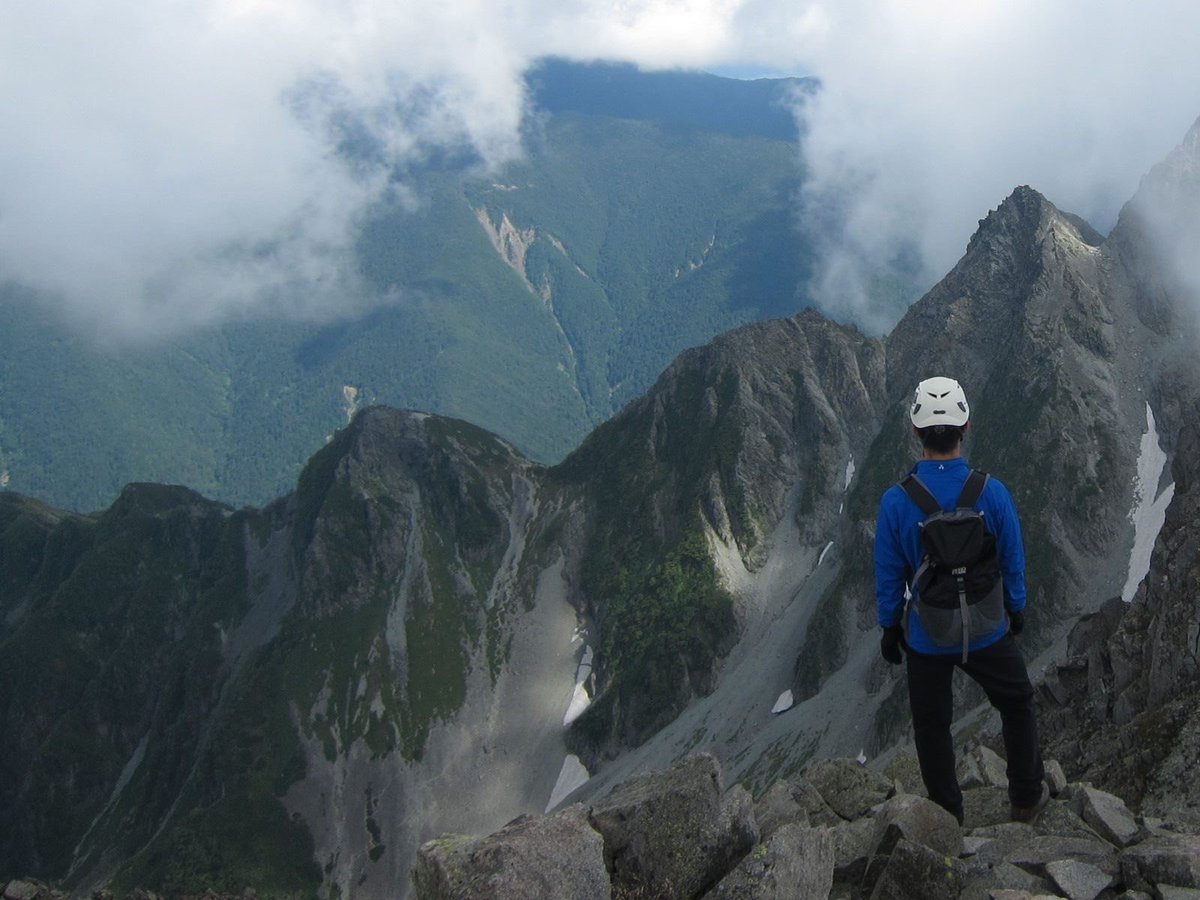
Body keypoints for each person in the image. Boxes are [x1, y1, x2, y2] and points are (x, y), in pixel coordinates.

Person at [874, 375, 1048, 825]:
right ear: (965, 427)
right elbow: (1012, 558)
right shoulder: (992, 493)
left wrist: (891, 627)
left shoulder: (896, 503)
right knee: (1017, 702)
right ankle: (1026, 798)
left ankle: (947, 816)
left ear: (916, 431)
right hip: (988, 627)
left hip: (928, 636)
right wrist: (1017, 607)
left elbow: (890, 574)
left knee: (932, 725)